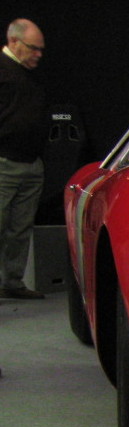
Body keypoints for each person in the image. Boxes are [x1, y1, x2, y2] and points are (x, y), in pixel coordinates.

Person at [0, 18, 46, 300]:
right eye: (33, 48)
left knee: (20, 227)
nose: (38, 54)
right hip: (4, 162)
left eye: (41, 49)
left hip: (31, 162)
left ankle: (13, 282)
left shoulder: (30, 74)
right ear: (14, 41)